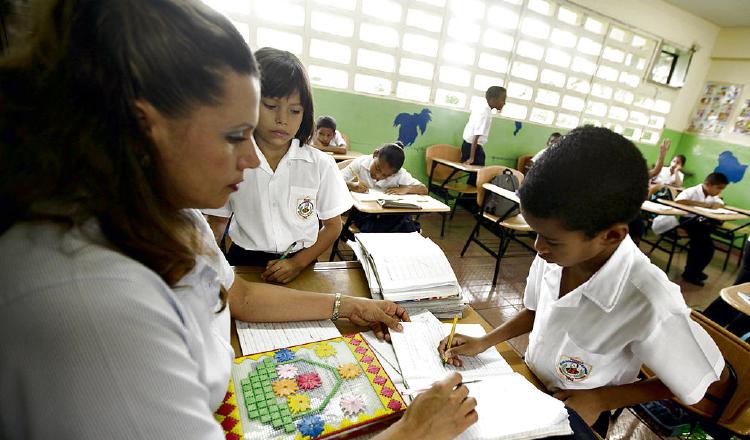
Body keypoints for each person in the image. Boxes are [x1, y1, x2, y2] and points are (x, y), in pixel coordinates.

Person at [0, 1, 477, 439]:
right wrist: (414, 432)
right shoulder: (90, 304)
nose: (252, 159)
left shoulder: (168, 212)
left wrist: (346, 306)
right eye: (234, 135)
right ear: (145, 129)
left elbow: (238, 293)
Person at [438, 126, 723, 435]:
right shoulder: (556, 254)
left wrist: (602, 398)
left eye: (549, 240)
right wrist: (485, 341)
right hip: (529, 384)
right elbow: (536, 311)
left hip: (583, 412)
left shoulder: (651, 299)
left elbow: (695, 382)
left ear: (611, 236)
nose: (537, 247)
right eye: (536, 234)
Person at [205, 48, 352, 284]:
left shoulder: (320, 164)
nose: (282, 119)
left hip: (303, 263)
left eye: (294, 110)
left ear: (305, 114)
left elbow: (333, 227)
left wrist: (297, 263)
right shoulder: (230, 161)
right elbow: (218, 222)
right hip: (245, 262)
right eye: (271, 106)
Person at [342, 141, 427, 233]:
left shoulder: (399, 174)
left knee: (399, 220)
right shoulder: (361, 162)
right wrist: (352, 185)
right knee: (396, 227)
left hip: (387, 214)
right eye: (377, 168)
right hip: (364, 213)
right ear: (375, 154)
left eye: (386, 175)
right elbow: (334, 181)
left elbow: (424, 189)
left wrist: (406, 189)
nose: (378, 176)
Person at [674, 172, 729, 286]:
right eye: (718, 188)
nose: (719, 191)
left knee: (706, 248)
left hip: (700, 223)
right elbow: (678, 201)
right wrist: (702, 205)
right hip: (688, 222)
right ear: (708, 184)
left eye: (722, 189)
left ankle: (695, 272)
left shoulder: (712, 195)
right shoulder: (692, 191)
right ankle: (690, 274)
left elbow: (721, 204)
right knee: (703, 248)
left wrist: (717, 205)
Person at [461, 86, 506, 185]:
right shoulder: (485, 113)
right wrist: (472, 158)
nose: (504, 103)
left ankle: (464, 200)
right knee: (479, 178)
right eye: (503, 99)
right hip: (473, 148)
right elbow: (476, 136)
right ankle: (466, 200)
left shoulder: (483, 108)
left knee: (476, 179)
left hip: (471, 146)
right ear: (493, 100)